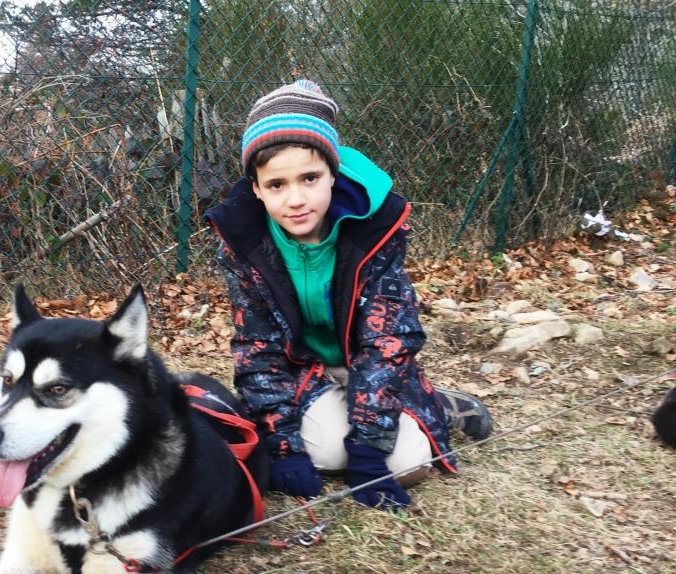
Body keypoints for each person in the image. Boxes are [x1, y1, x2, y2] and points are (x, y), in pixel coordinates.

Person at [204, 79, 493, 508]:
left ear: (333, 175)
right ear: (257, 189)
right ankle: (364, 414)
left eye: (310, 178)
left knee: (407, 465)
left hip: (366, 364)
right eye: (277, 185)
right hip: (302, 370)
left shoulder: (377, 229)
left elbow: (389, 339)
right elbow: (257, 347)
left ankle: (436, 406)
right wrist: (282, 443)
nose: (296, 199)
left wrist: (369, 446)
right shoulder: (242, 242)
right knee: (326, 455)